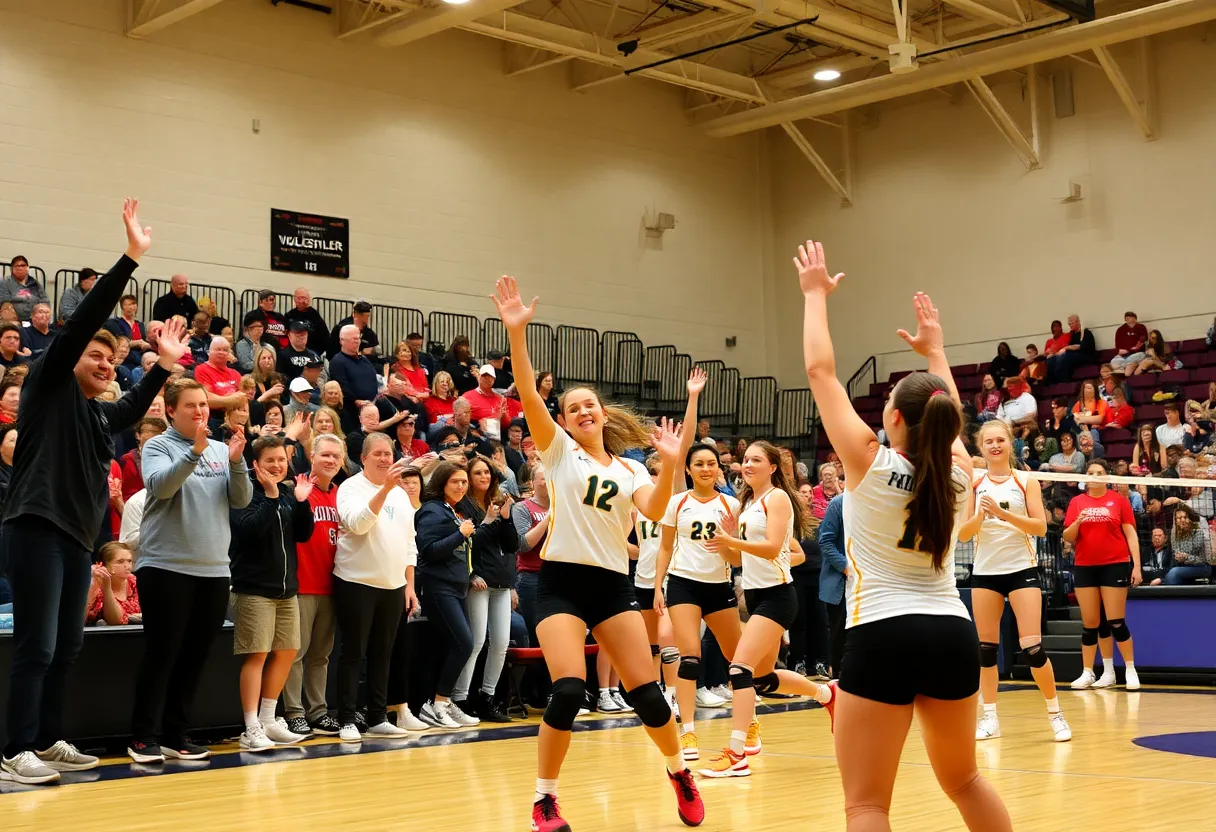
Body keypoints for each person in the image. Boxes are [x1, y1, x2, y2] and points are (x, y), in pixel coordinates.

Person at [794, 240, 1012, 832]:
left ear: (891, 419)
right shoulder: (961, 470)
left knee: (867, 805)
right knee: (965, 781)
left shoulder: (868, 460)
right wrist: (936, 350)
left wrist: (815, 294)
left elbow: (819, 371)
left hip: (881, 633)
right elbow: (949, 416)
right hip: (950, 632)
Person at [491, 275, 704, 831]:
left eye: (590, 404)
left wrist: (672, 462)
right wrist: (518, 335)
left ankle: (679, 771)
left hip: (612, 586)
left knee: (648, 698)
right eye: (573, 407)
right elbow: (529, 392)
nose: (583, 410)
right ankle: (545, 799)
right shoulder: (559, 453)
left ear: (603, 414)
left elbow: (655, 511)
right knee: (567, 690)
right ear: (562, 421)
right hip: (559, 583)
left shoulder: (632, 467)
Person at [0, 201, 182, 785]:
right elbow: (82, 325)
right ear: (69, 357)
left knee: (66, 648)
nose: (106, 364)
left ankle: (49, 740)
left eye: (113, 359)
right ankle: (14, 749)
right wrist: (131, 259)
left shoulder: (97, 415)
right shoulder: (49, 388)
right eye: (96, 356)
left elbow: (129, 409)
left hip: (80, 539)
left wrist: (161, 367)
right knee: (35, 646)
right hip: (36, 527)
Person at [129, 378, 252, 764]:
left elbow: (242, 499)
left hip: (214, 569)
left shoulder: (220, 448)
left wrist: (235, 462)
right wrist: (194, 453)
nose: (200, 411)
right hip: (165, 566)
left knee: (196, 655)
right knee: (163, 653)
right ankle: (142, 737)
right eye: (190, 406)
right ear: (170, 411)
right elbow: (161, 488)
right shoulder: (159, 446)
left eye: (203, 404)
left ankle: (175, 733)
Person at [695, 441, 833, 777]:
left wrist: (733, 541)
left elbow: (773, 549)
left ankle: (737, 753)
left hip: (778, 596)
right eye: (745, 460)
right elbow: (740, 559)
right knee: (763, 678)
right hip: (756, 595)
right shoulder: (748, 504)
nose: (748, 464)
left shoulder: (778, 498)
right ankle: (826, 693)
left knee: (738, 670)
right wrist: (723, 545)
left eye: (757, 459)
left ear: (773, 467)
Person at [958, 421, 1070, 743]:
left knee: (1032, 647)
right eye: (989, 441)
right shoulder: (975, 483)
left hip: (1022, 570)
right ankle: (989, 718)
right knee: (986, 650)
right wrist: (981, 516)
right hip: (986, 573)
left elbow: (1039, 527)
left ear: (1010, 444)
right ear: (982, 447)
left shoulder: (1025, 480)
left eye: (1000, 440)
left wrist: (1003, 514)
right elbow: (964, 533)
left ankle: (1056, 714)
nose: (995, 446)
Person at [653, 444, 751, 766]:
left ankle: (749, 723)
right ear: (689, 469)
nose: (706, 469)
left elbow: (737, 559)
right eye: (699, 464)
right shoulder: (676, 503)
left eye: (711, 463)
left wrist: (728, 543)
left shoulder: (733, 505)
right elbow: (665, 548)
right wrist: (658, 586)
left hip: (718, 586)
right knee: (689, 658)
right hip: (683, 584)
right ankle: (688, 730)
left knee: (738, 662)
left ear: (718, 469)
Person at [228, 436, 315, 750]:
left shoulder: (288, 493)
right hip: (254, 589)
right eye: (270, 461)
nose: (277, 465)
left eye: (281, 460)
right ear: (256, 464)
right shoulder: (245, 493)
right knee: (257, 655)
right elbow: (249, 530)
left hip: (287, 590)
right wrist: (269, 496)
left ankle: (268, 719)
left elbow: (303, 535)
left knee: (288, 651)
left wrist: (303, 502)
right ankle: (250, 726)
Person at [333, 433, 419, 742]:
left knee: (383, 653)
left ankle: (378, 717)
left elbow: (410, 542)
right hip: (356, 581)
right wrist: (384, 489)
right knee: (353, 652)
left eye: (389, 454)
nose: (385, 459)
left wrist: (409, 585)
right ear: (364, 457)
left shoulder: (400, 495)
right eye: (379, 454)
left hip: (393, 585)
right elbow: (358, 524)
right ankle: (346, 718)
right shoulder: (350, 488)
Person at [282, 433, 346, 737]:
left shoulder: (344, 495)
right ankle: (294, 712)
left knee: (321, 654)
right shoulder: (298, 489)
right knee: (295, 653)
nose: (330, 460)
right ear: (312, 457)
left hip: (333, 586)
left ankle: (317, 711)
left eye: (336, 456)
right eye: (325, 455)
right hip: (302, 584)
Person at [452, 456, 519, 723]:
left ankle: (486, 696)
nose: (484, 477)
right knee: (476, 642)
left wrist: (506, 519)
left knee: (501, 643)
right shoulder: (463, 505)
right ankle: (460, 697)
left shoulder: (497, 502)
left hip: (502, 581)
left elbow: (512, 545)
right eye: (478, 473)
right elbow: (470, 543)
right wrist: (490, 520)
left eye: (487, 473)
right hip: (478, 581)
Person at [414, 461, 481, 730]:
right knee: (464, 643)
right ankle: (437, 704)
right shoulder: (431, 510)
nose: (461, 486)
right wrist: (459, 534)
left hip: (457, 587)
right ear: (442, 483)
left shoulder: (454, 511)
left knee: (456, 646)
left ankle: (444, 700)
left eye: (464, 482)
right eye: (456, 481)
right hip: (438, 587)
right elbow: (428, 550)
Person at [1063, 459, 1141, 691]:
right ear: (1085, 478)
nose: (1094, 475)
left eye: (1099, 472)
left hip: (1114, 564)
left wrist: (1136, 566)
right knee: (1091, 624)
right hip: (1085, 566)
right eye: (1090, 472)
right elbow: (1068, 536)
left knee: (1115, 621)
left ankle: (1130, 669)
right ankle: (1094, 672)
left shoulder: (1118, 501)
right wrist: (1077, 522)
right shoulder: (1077, 502)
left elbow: (1131, 534)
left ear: (1106, 477)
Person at [513, 463, 549, 647]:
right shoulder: (522, 508)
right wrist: (549, 517)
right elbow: (523, 545)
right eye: (543, 477)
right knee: (537, 636)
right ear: (532, 482)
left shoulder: (567, 507)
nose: (547, 481)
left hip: (561, 577)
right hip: (532, 578)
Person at [817, 493, 847, 679]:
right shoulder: (838, 503)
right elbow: (825, 541)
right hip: (841, 581)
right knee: (839, 632)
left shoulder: (874, 500)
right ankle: (836, 674)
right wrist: (846, 567)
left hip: (870, 580)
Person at [329, 324, 380, 432]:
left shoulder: (364, 360)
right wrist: (356, 400)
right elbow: (342, 384)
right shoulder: (337, 361)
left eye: (358, 338)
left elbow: (372, 379)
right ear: (342, 340)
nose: (357, 341)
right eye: (354, 339)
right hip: (351, 410)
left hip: (372, 406)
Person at [86, 542, 140, 626]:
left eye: (129, 561)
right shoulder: (95, 585)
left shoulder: (134, 581)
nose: (127, 566)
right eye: (120, 562)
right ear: (103, 565)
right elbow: (116, 621)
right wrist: (106, 588)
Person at [1165, 504, 1212, 585]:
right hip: (1182, 566)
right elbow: (1176, 555)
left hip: (1202, 567)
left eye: (1185, 517)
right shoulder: (1174, 535)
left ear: (1190, 518)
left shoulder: (1198, 532)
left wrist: (1186, 557)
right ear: (1175, 521)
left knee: (1174, 572)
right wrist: (1180, 557)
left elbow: (1202, 560)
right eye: (1179, 518)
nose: (1182, 520)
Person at [1046, 314, 1096, 385]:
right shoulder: (1072, 334)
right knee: (1052, 359)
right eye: (1069, 324)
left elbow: (1081, 346)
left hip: (1087, 356)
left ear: (1078, 322)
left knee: (1066, 357)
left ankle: (1063, 383)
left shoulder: (1086, 332)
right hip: (1074, 355)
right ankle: (1051, 384)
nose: (1071, 325)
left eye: (1072, 323)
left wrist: (1066, 348)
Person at [0, 255, 50, 321]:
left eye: (23, 265)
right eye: (17, 266)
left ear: (27, 268)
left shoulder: (35, 283)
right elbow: (5, 303)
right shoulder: (5, 282)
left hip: (35, 320)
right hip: (14, 320)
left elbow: (44, 301)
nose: (20, 268)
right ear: (12, 269)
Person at [284, 288, 329, 356]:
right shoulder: (289, 315)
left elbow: (325, 336)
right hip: (292, 350)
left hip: (312, 350)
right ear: (294, 300)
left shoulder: (314, 315)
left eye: (304, 298)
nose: (302, 301)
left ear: (309, 300)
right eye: (299, 298)